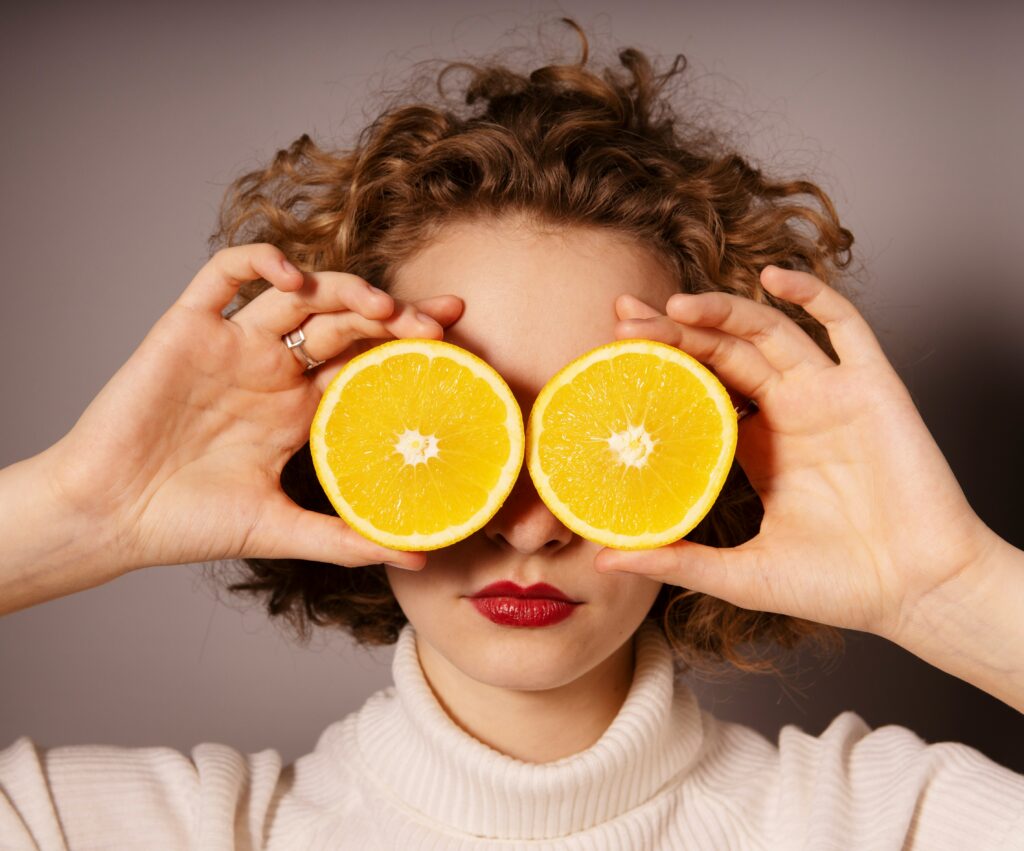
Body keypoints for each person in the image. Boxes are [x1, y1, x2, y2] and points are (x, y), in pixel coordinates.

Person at [1, 17, 1022, 851]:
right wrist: (84, 513)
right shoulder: (131, 831)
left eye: (601, 423)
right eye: (463, 422)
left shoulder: (895, 823)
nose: (529, 525)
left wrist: (945, 587)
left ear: (712, 447)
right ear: (340, 440)